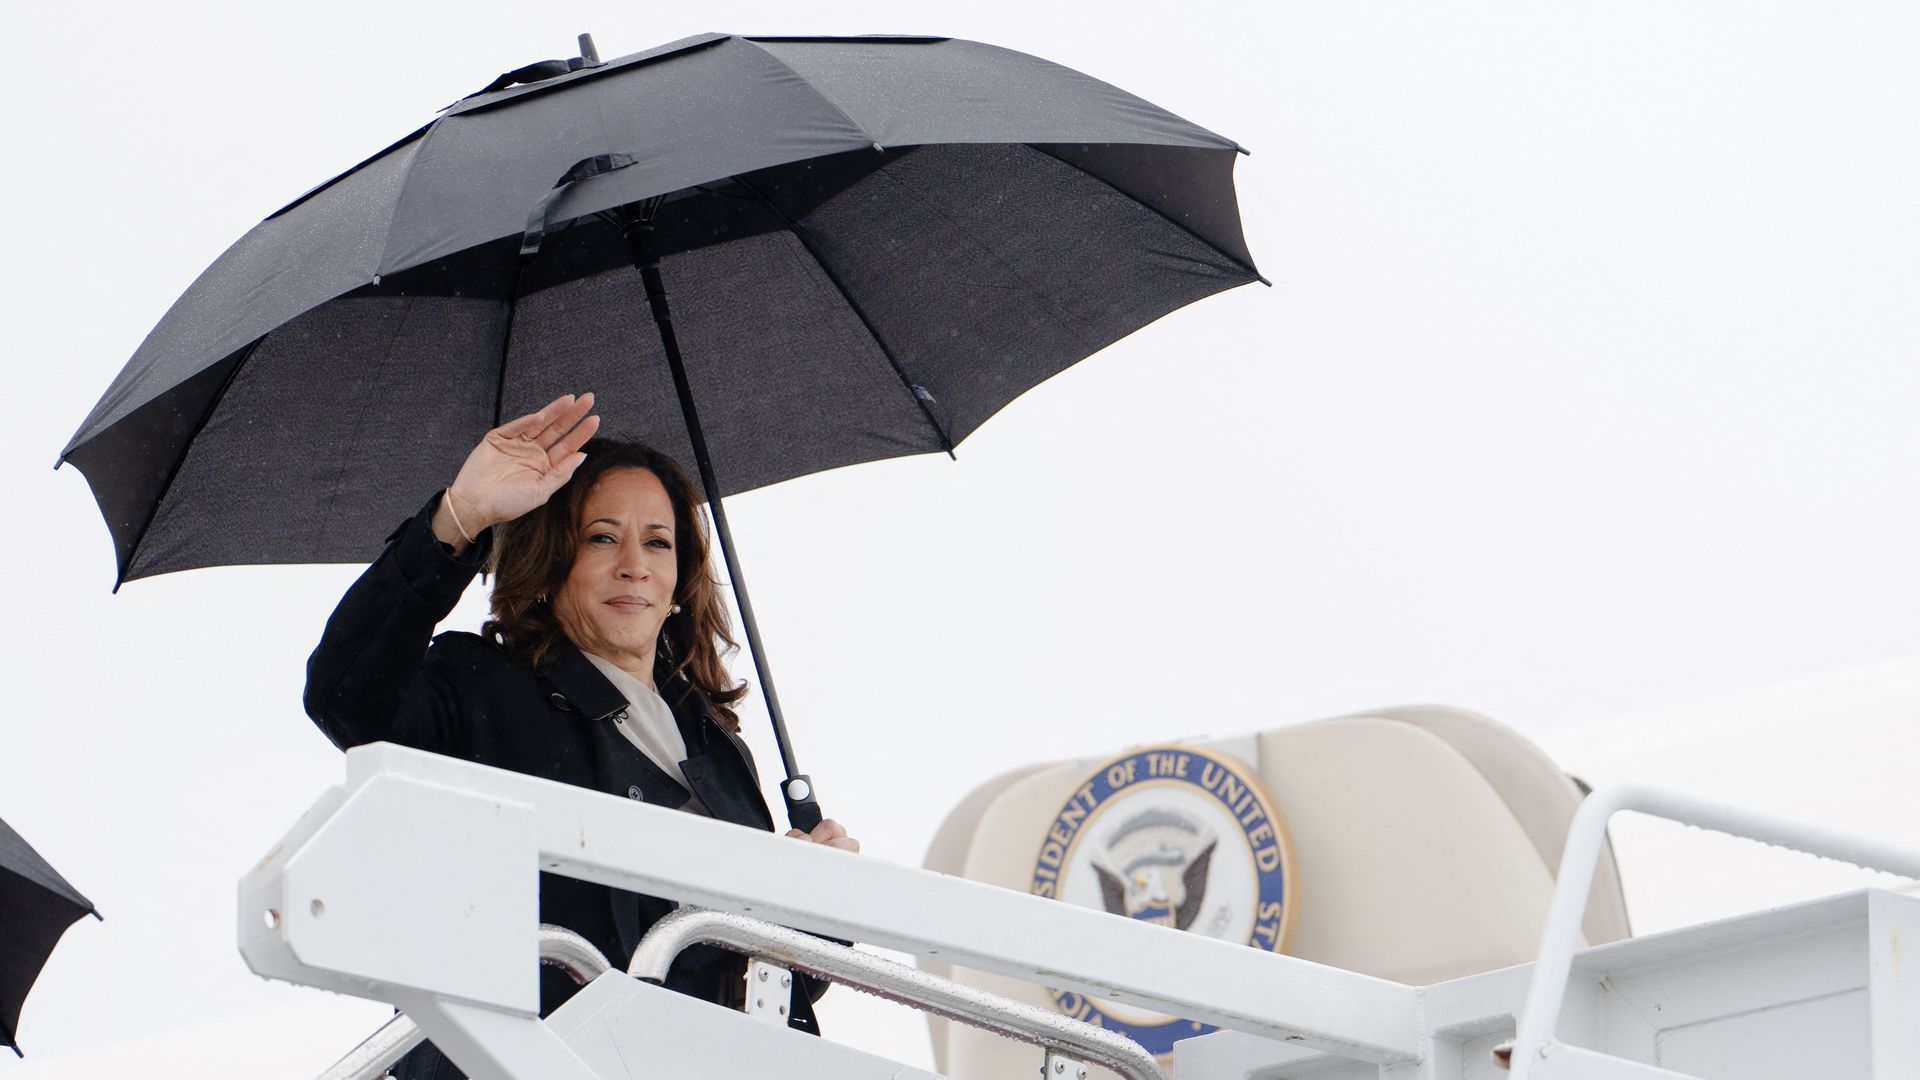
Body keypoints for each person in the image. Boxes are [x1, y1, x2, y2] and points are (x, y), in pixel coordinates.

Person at [305, 392, 857, 1079]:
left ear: (680, 577)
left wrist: (814, 907)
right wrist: (461, 516)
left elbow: (752, 995)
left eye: (658, 541)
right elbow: (345, 695)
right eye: (603, 537)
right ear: (551, 558)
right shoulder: (483, 687)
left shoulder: (720, 748)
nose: (635, 564)